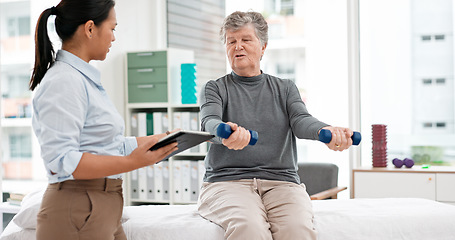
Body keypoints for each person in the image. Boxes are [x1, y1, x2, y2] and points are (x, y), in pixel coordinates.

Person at [198, 11, 355, 240]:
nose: (237, 46)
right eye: (231, 41)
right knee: (249, 228)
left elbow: (301, 121)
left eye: (245, 40)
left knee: (298, 230)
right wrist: (224, 133)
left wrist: (325, 131)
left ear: (263, 46)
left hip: (281, 183)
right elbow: (208, 123)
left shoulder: (285, 87)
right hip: (227, 182)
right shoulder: (215, 88)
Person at [30, 1, 177, 239]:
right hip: (77, 209)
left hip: (102, 207)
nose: (114, 38)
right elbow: (62, 160)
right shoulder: (64, 81)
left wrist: (158, 141)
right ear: (90, 29)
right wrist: (133, 162)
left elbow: (108, 145)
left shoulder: (84, 79)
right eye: (112, 28)